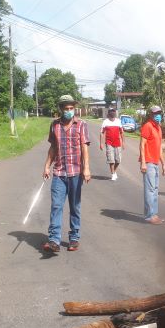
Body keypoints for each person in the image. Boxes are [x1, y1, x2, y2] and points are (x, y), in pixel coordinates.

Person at [42, 95, 91, 252]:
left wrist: (87, 168)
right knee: (56, 205)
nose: (69, 111)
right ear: (61, 109)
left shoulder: (81, 125)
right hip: (59, 172)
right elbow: (53, 148)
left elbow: (84, 147)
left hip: (76, 172)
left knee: (74, 206)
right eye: (66, 109)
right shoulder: (54, 125)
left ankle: (74, 238)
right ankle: (54, 239)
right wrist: (47, 166)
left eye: (71, 108)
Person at [139, 105, 165, 225]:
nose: (158, 115)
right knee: (150, 190)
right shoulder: (147, 126)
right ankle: (150, 216)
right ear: (151, 114)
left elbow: (159, 147)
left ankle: (152, 214)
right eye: (156, 113)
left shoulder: (158, 128)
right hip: (149, 162)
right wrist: (143, 163)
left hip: (155, 162)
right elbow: (142, 145)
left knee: (155, 190)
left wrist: (163, 164)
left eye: (159, 113)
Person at [100, 108, 125, 181]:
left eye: (114, 112)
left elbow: (122, 132)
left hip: (117, 143)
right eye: (111, 112)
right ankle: (113, 174)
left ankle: (114, 171)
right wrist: (101, 144)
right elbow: (102, 133)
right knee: (111, 160)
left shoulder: (118, 121)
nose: (113, 113)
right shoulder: (105, 122)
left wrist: (123, 142)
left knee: (118, 160)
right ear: (109, 113)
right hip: (109, 143)